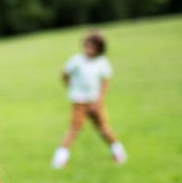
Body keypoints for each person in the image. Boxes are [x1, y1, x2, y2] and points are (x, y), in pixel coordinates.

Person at [51, 30, 128, 168]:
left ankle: (118, 152)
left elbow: (105, 82)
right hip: (79, 102)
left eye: (92, 46)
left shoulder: (102, 62)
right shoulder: (76, 60)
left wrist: (99, 100)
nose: (89, 48)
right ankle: (60, 160)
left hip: (95, 102)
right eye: (87, 45)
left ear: (99, 48)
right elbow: (65, 74)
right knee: (74, 129)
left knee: (103, 128)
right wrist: (70, 86)